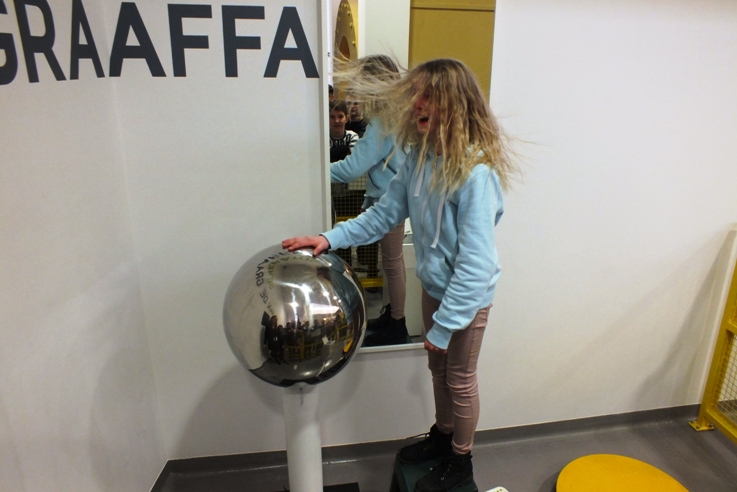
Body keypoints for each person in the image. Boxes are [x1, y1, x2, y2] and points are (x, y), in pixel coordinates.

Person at [283, 58, 518, 492]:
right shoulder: (421, 158)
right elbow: (383, 214)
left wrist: (446, 325)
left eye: (429, 96)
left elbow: (477, 264)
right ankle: (443, 436)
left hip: (467, 299)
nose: (418, 104)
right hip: (434, 288)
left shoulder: (476, 174)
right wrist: (328, 238)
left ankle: (461, 461)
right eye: (416, 96)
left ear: (454, 103)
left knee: (459, 379)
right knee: (437, 371)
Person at [328, 54, 410, 347]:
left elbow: (354, 167)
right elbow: (380, 167)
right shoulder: (394, 117)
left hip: (390, 202)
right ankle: (394, 316)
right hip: (387, 198)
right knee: (392, 263)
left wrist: (316, 172)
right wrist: (368, 197)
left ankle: (397, 323)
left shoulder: (382, 122)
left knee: (393, 263)